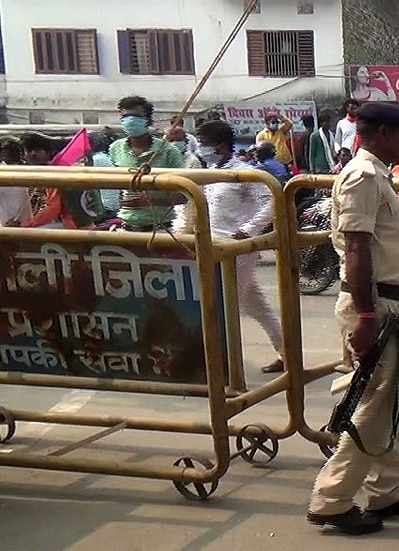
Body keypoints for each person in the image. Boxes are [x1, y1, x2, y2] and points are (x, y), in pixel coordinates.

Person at [306, 102, 399, 536]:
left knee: (385, 401)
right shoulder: (364, 176)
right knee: (372, 405)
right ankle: (332, 497)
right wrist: (366, 314)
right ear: (383, 133)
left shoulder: (378, 174)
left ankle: (384, 491)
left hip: (385, 304)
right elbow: (357, 249)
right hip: (375, 305)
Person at [193, 120, 286, 374]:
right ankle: (287, 353)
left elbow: (269, 204)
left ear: (220, 145)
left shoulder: (245, 172)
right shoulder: (210, 171)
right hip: (212, 244)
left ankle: (222, 364)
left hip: (237, 247)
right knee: (254, 305)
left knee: (224, 305)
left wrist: (246, 231)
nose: (201, 148)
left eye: (205, 144)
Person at [108, 95, 185, 232]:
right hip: (126, 226)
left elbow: (184, 196)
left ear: (148, 120)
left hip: (160, 229)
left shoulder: (168, 151)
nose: (130, 121)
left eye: (135, 116)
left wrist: (151, 201)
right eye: (125, 117)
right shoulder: (116, 148)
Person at [20, 133, 101, 230]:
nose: (33, 154)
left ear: (48, 152)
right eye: (28, 150)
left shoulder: (54, 174)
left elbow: (53, 209)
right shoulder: (54, 170)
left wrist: (27, 224)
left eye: (37, 150)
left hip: (73, 225)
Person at [309, 109, 337, 174]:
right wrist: (312, 169)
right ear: (321, 123)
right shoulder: (315, 136)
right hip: (319, 167)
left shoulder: (332, 135)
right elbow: (312, 154)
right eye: (326, 122)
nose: (329, 124)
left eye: (329, 122)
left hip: (331, 166)